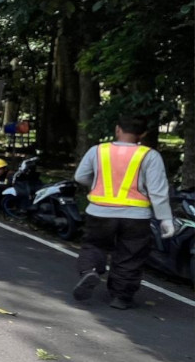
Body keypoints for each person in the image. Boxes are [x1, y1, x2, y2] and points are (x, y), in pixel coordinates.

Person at [72, 114, 174, 309]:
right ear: (143, 134)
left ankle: (90, 271)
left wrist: (96, 186)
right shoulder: (150, 156)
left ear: (117, 129)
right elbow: (157, 191)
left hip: (99, 212)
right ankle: (121, 296)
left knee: (94, 246)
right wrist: (165, 219)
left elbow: (80, 177)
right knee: (131, 254)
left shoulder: (98, 151)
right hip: (135, 216)